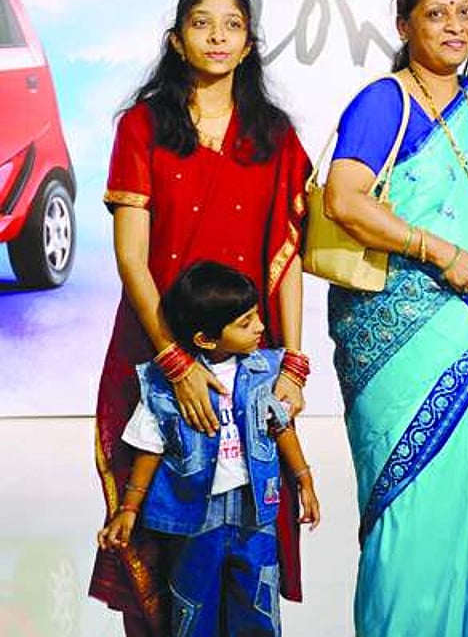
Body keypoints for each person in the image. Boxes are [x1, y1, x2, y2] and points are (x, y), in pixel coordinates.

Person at [91, 0, 313, 635]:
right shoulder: (143, 125)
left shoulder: (272, 134)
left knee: (249, 543)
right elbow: (133, 256)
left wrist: (293, 366)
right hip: (156, 353)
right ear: (176, 39)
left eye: (232, 25)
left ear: (249, 44)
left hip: (247, 363)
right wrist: (173, 361)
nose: (217, 36)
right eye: (201, 22)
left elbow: (290, 255)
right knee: (159, 533)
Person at [322, 0, 468, 636]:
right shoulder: (384, 103)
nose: (453, 26)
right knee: (405, 525)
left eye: (464, 13)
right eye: (436, 14)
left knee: (463, 515)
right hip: (394, 353)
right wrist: (436, 251)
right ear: (405, 24)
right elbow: (343, 199)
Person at [97, 261, 320, 637]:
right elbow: (150, 446)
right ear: (206, 338)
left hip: (254, 515)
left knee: (258, 605)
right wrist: (129, 508)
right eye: (246, 322)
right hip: (194, 517)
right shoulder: (166, 385)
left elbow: (281, 427)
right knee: (192, 606)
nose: (261, 328)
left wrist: (304, 480)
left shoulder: (265, 370)